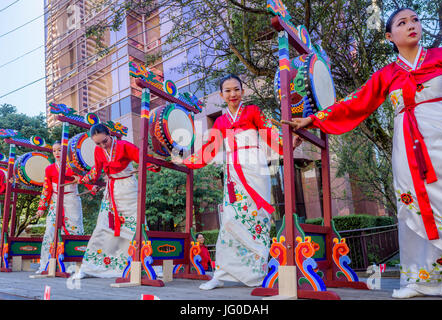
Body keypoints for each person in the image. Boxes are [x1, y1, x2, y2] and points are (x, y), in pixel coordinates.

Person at [287, 8, 442, 298]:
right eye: (402, 22)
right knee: (411, 206)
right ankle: (422, 279)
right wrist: (314, 118)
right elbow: (356, 101)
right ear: (390, 36)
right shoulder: (388, 74)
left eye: (415, 20)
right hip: (408, 148)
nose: (411, 25)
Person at [176, 74, 302, 290]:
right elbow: (210, 150)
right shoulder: (221, 121)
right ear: (221, 95)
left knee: (257, 219)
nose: (233, 94)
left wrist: (288, 143)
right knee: (229, 221)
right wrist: (185, 160)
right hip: (234, 173)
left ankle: (260, 273)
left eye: (236, 89)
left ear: (243, 91)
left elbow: (270, 134)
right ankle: (221, 274)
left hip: (255, 169)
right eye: (228, 91)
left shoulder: (253, 111)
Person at [73, 124, 160, 279]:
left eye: (104, 141)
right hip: (111, 189)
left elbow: (142, 158)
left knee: (135, 225)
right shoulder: (98, 151)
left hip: (129, 189)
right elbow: (96, 170)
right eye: (98, 143)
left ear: (110, 134)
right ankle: (91, 266)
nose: (101, 146)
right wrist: (84, 180)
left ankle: (140, 263)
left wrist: (153, 165)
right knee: (103, 225)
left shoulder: (125, 146)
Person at [34, 141, 85, 274]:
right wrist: (41, 207)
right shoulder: (49, 169)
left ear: (65, 152)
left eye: (60, 150)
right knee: (50, 231)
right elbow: (47, 189)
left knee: (74, 230)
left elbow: (84, 179)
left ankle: (73, 266)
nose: (57, 153)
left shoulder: (74, 166)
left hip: (72, 200)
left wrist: (93, 186)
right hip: (55, 201)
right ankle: (46, 265)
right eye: (54, 151)